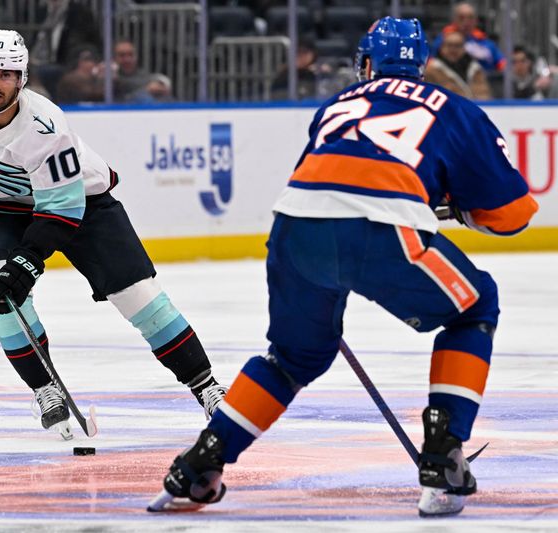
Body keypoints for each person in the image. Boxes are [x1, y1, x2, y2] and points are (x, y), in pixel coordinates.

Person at [151, 17, 538, 518]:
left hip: (294, 230)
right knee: (474, 305)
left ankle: (203, 461)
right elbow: (514, 215)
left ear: (368, 63)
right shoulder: (454, 108)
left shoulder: (337, 104)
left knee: (291, 359)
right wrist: (455, 208)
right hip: (379, 229)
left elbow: (324, 179)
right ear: (421, 65)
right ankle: (445, 452)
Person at [0, 29, 227, 440]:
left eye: (6, 75)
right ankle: (45, 388)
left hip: (82, 204)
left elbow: (61, 211)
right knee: (0, 290)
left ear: (22, 79)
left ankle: (207, 388)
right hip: (7, 205)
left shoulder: (44, 126)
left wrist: (29, 260)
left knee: (139, 297)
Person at [431, 2, 504, 73]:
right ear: (454, 20)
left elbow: (501, 63)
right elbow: (430, 64)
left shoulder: (485, 42)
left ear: (476, 20)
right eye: (461, 18)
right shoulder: (443, 40)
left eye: (470, 18)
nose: (466, 22)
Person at [29, 0, 102, 67]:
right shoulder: (42, 12)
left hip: (61, 63)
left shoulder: (80, 12)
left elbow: (83, 42)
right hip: (34, 61)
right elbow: (33, 39)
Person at [424, 30, 491, 100]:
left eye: (457, 46)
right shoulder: (431, 70)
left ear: (464, 48)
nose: (453, 50)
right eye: (449, 45)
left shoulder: (476, 69)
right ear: (441, 48)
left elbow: (485, 94)